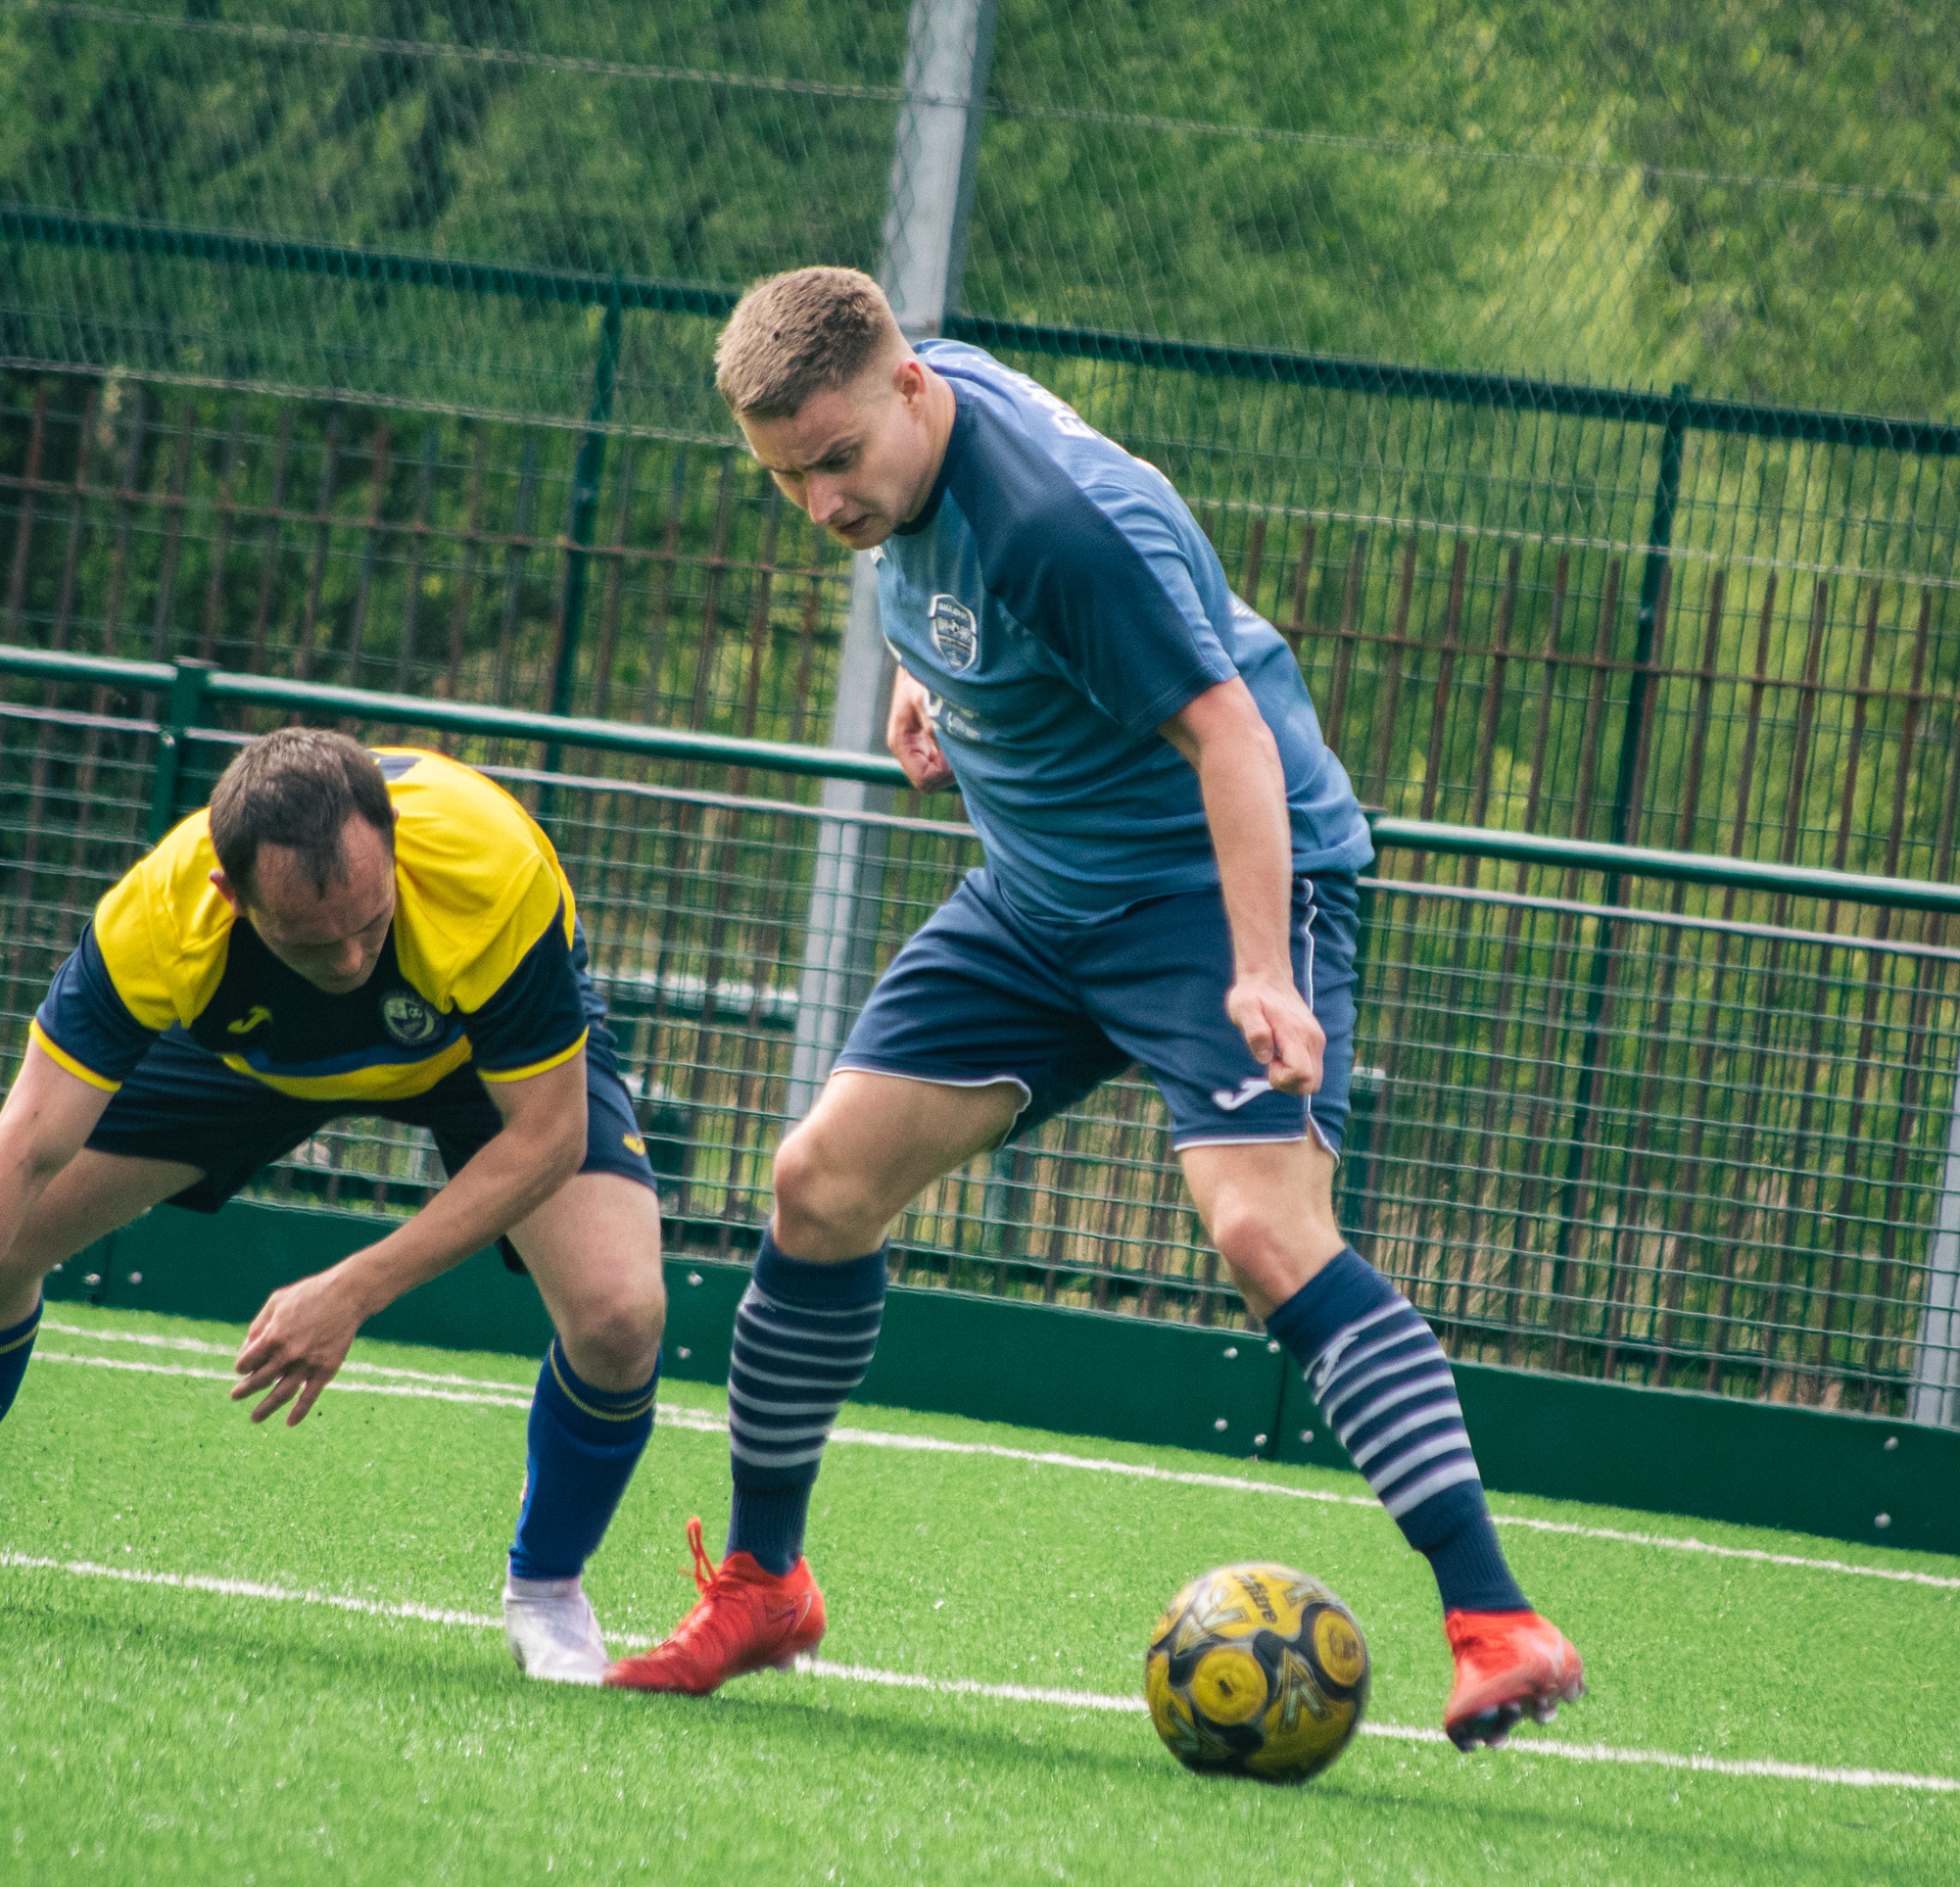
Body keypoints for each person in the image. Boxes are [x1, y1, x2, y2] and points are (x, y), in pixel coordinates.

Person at [605, 267, 1586, 1749]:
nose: (820, 501)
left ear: (911, 395)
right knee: (817, 1185)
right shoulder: (900, 400)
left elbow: (1232, 737)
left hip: (1216, 888)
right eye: (787, 477)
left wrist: (1261, 964)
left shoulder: (1057, 529)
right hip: (1039, 898)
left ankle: (1494, 1617)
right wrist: (934, 685)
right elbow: (938, 577)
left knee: (1263, 1232)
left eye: (837, 463)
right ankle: (764, 1584)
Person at [0, 728, 668, 1685]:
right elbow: (19, 1154)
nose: (348, 962)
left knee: (621, 1316)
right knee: (4, 1245)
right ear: (229, 891)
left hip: (473, 1059)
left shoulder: (486, 868)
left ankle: (546, 1591)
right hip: (249, 1060)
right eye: (309, 936)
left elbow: (544, 1138)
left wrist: (353, 1289)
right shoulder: (161, 915)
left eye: (370, 925)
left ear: (398, 853)